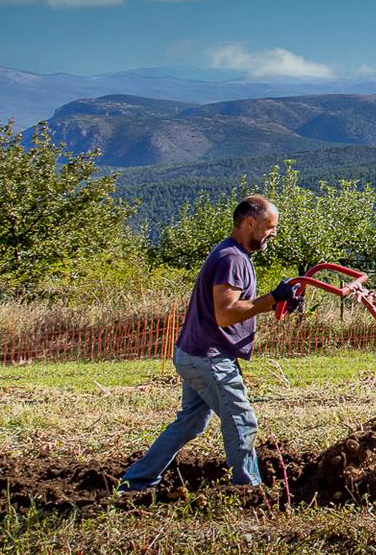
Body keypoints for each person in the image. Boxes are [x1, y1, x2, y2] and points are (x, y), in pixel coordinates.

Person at [118, 195, 303, 492]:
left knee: (190, 423)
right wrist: (272, 298)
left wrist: (275, 303)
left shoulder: (233, 254)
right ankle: (248, 489)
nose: (274, 233)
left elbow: (238, 306)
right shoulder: (231, 259)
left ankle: (137, 480)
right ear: (249, 223)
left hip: (193, 353)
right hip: (209, 358)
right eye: (270, 227)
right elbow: (225, 313)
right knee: (243, 421)